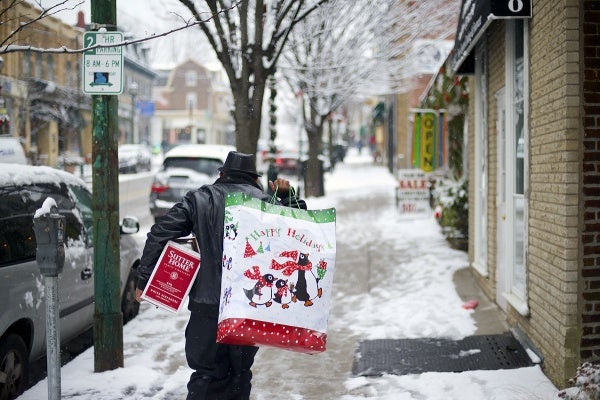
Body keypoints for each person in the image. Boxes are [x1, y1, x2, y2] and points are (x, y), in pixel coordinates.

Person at [135, 151, 306, 400]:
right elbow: (301, 231)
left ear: (222, 174)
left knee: (206, 374)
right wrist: (286, 196)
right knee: (239, 373)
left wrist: (144, 279)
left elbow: (159, 233)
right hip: (248, 308)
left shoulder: (199, 199)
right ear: (253, 178)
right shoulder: (267, 202)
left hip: (207, 308)